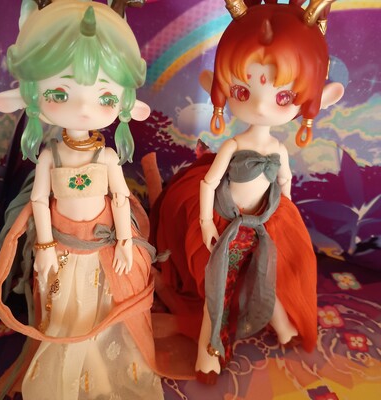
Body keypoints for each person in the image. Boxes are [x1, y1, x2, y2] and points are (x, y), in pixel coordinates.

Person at [151, 0, 344, 385]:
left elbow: (285, 187)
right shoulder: (233, 146)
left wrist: (284, 223)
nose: (259, 105)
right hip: (224, 226)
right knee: (217, 288)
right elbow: (209, 183)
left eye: (283, 96)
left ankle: (283, 327)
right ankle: (208, 350)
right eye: (242, 90)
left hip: (261, 227)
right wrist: (206, 222)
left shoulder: (278, 150)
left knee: (264, 279)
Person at [0, 1, 166, 399]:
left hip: (102, 249)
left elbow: (120, 199)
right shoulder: (50, 156)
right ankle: (72, 372)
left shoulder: (106, 156)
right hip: (62, 249)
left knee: (100, 311)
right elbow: (39, 202)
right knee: (66, 313)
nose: (84, 110)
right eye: (59, 92)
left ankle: (99, 372)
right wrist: (45, 247)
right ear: (33, 93)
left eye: (105, 97)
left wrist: (125, 242)